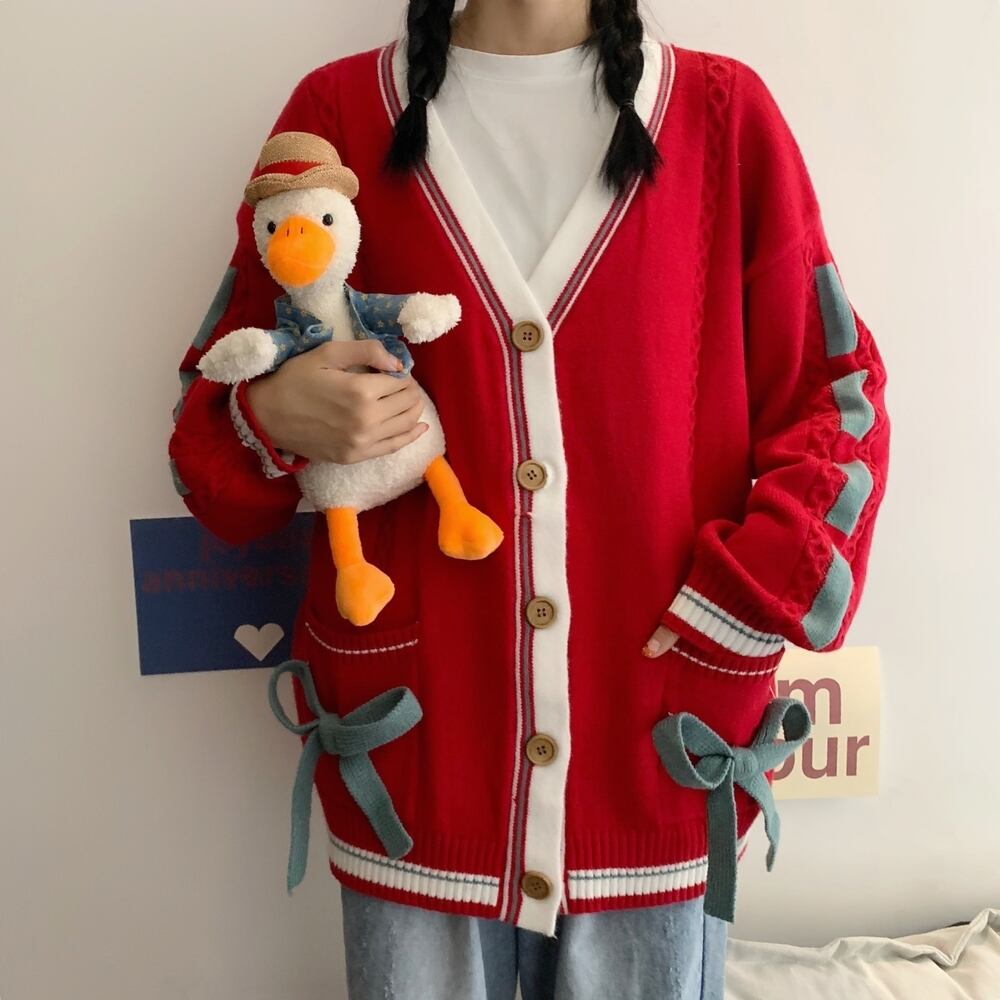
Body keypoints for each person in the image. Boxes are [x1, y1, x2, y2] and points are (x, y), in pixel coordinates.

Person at [167, 0, 891, 996]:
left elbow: (835, 398)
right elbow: (205, 442)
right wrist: (272, 414)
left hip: (656, 759)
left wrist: (739, 604)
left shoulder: (723, 117)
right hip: (416, 772)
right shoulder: (338, 114)